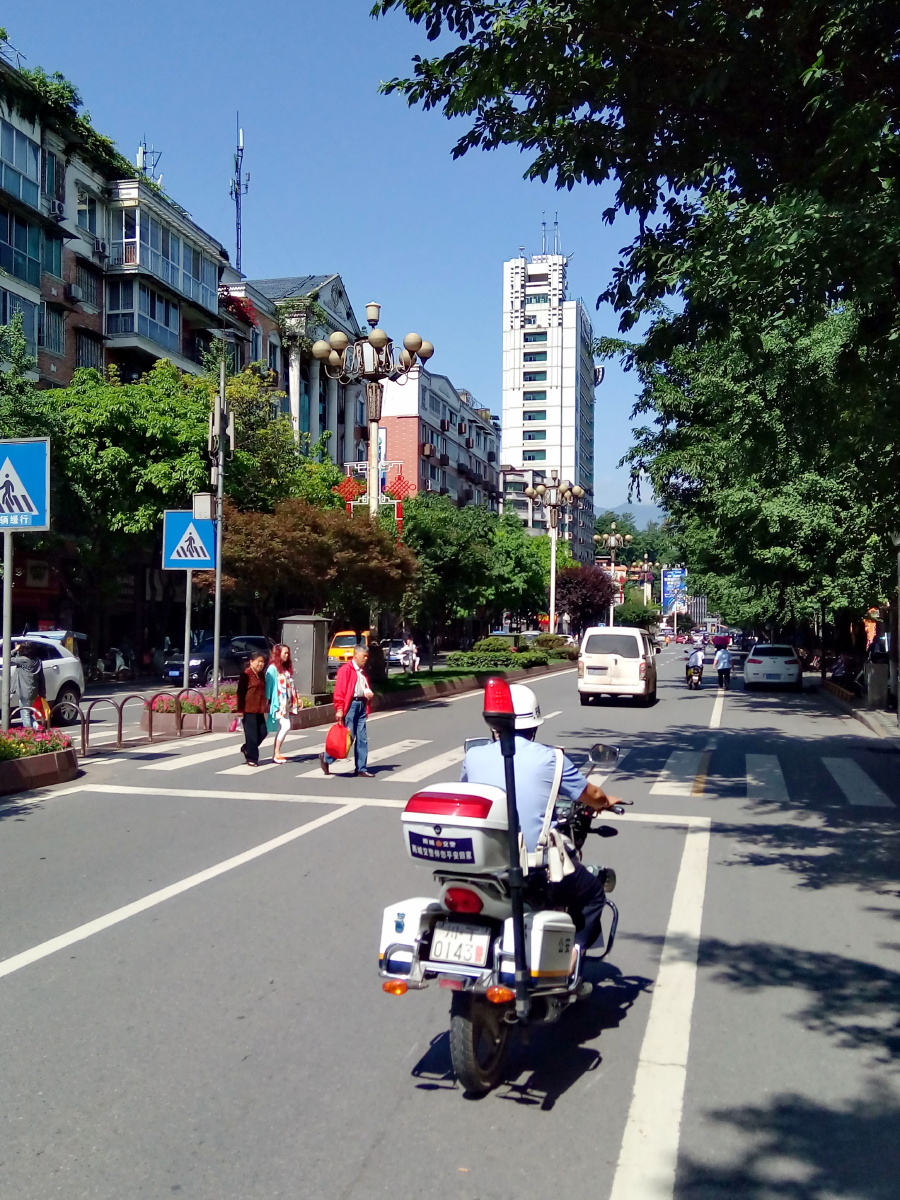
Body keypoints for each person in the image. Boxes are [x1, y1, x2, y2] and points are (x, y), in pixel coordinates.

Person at [460, 684, 622, 962]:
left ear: (494, 724)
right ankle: (573, 957)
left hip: (480, 866)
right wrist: (606, 801)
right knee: (594, 893)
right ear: (533, 726)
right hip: (531, 870)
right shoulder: (551, 758)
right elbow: (592, 795)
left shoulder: (474, 755)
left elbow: (467, 792)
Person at [320, 644, 374, 777]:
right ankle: (327, 757)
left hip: (361, 704)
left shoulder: (362, 671)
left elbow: (363, 686)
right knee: (348, 738)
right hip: (350, 706)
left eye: (367, 656)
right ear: (356, 655)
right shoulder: (346, 670)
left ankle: (361, 768)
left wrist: (368, 695)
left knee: (362, 738)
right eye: (363, 656)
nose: (366, 659)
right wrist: (339, 708)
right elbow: (340, 691)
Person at [265, 643, 299, 764]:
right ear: (278, 653)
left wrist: (297, 698)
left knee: (283, 727)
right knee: (286, 726)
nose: (287, 655)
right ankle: (276, 753)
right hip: (278, 702)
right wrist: (267, 702)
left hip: (287, 702)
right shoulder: (272, 669)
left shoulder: (284, 668)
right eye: (285, 652)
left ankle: (276, 752)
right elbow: (268, 687)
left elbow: (291, 685)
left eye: (288, 653)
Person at [236, 651, 269, 767]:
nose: (261, 664)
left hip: (259, 709)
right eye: (258, 661)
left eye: (263, 662)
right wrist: (240, 710)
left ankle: (247, 748)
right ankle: (252, 759)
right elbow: (240, 693)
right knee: (252, 736)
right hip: (248, 709)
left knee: (263, 732)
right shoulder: (246, 674)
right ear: (251, 661)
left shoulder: (260, 674)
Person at [10, 642, 44, 727]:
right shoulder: (37, 660)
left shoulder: (24, 660)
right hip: (34, 690)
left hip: (25, 692)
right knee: (28, 713)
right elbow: (42, 677)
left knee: (24, 714)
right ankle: (37, 728)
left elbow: (8, 657)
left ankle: (29, 734)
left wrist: (15, 649)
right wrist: (42, 691)